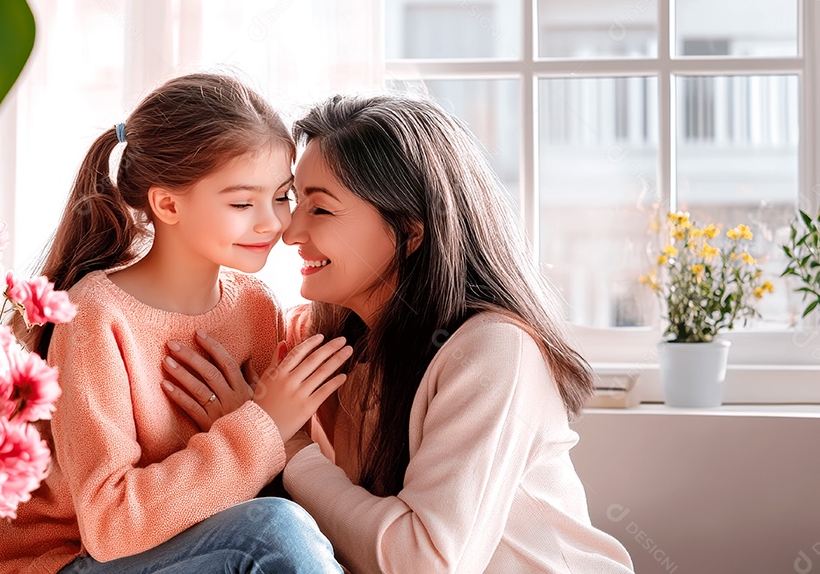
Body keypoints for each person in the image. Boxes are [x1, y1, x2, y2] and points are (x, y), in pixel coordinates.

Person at [164, 93, 636, 573]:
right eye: (293, 200)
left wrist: (289, 448)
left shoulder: (493, 349)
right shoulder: (329, 344)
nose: (290, 232)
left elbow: (424, 563)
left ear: (410, 230)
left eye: (321, 210)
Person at [0, 73, 350, 574]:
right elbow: (110, 527)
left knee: (284, 526)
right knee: (274, 529)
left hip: (197, 552)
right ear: (167, 204)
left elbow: (256, 496)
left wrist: (263, 428)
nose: (273, 222)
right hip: (76, 561)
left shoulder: (255, 308)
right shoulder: (95, 315)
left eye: (282, 196)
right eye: (243, 203)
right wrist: (259, 425)